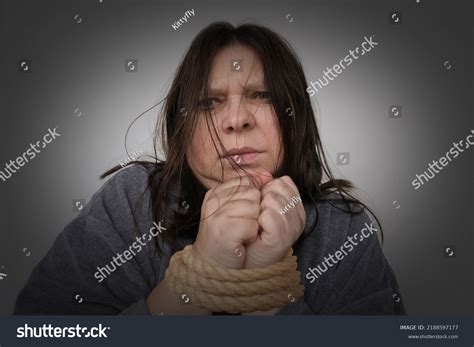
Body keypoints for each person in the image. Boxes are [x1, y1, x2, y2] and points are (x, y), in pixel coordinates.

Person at [15, 22, 405, 315]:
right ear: (182, 128)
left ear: (293, 117)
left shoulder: (341, 227)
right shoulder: (132, 202)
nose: (236, 120)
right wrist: (199, 277)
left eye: (261, 96)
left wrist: (266, 285)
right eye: (209, 103)